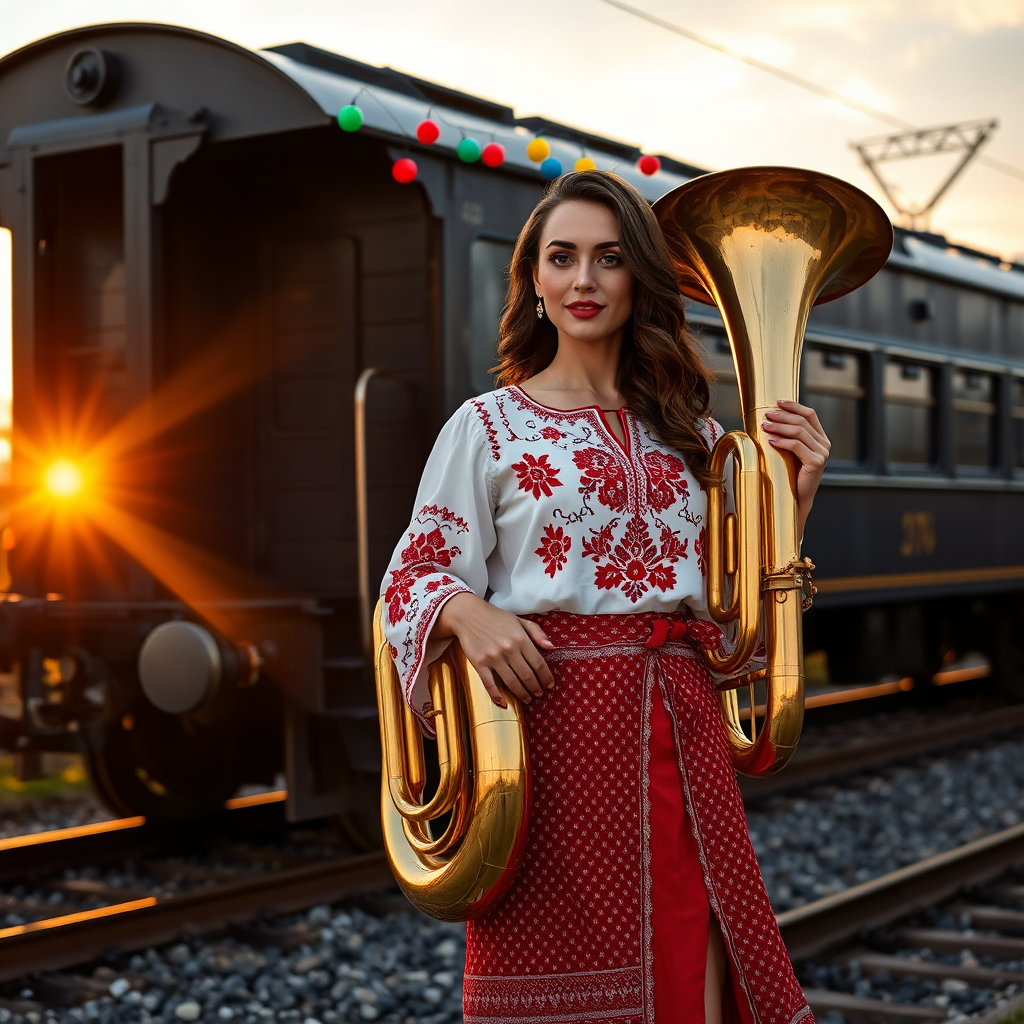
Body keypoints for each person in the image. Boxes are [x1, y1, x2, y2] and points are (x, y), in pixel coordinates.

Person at [381, 170, 827, 1024]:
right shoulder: (486, 426)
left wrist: (792, 502)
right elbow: (411, 577)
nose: (585, 280)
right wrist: (466, 612)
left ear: (639, 282)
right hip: (552, 740)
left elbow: (739, 634)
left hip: (683, 733)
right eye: (564, 258)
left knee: (696, 957)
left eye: (610, 259)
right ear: (536, 284)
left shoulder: (695, 435)